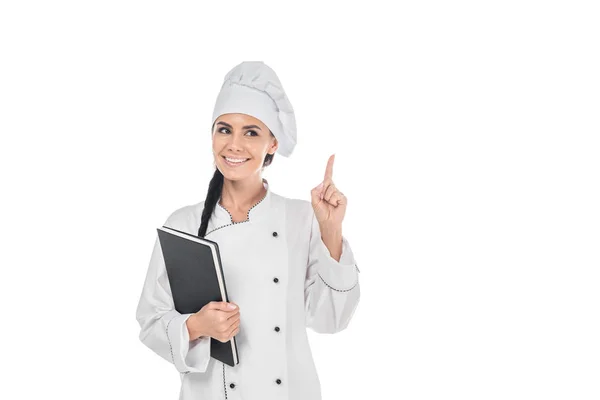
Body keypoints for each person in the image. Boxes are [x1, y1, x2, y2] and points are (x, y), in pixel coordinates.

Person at [135, 61, 361, 400]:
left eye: (251, 132)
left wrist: (330, 229)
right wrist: (196, 326)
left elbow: (332, 320)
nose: (234, 145)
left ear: (272, 143)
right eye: (224, 129)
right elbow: (151, 320)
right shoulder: (182, 224)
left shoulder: (301, 218)